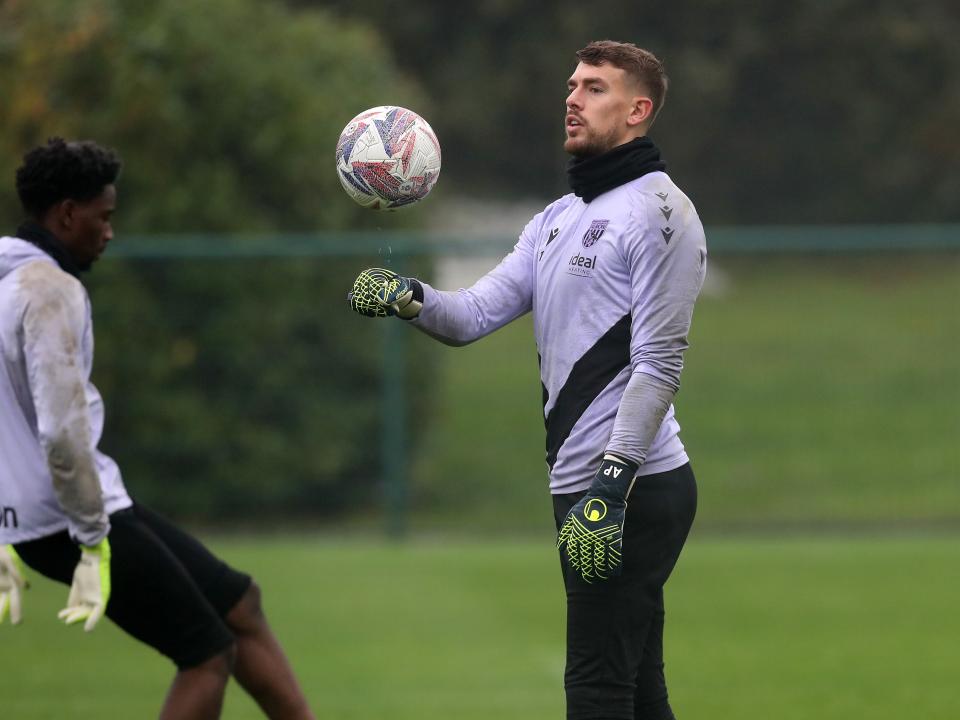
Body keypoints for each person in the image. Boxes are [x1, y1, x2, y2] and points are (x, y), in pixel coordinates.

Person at [349, 41, 706, 719]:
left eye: (594, 88)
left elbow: (659, 365)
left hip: (633, 487)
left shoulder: (663, 213)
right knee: (635, 684)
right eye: (571, 85)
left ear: (639, 110)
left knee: (596, 685)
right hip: (585, 486)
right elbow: (471, 315)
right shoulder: (555, 218)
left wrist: (610, 485)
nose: (572, 99)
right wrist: (407, 295)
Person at [0, 138, 315, 720]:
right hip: (75, 515)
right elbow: (62, 433)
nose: (110, 232)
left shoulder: (8, 278)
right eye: (104, 216)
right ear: (67, 214)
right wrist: (93, 541)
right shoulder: (50, 292)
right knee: (206, 655)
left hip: (57, 511)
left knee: (239, 604)